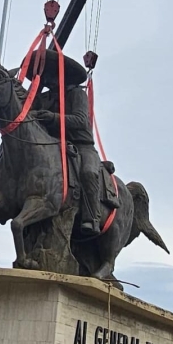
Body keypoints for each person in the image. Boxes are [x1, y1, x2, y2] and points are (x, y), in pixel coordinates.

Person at [28, 50, 104, 237]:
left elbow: (81, 120)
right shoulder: (44, 98)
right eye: (45, 76)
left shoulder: (77, 94)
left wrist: (52, 117)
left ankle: (92, 217)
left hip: (81, 146)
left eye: (51, 75)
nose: (48, 79)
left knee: (88, 172)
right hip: (53, 145)